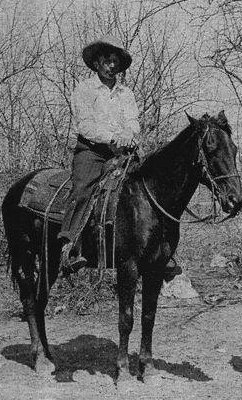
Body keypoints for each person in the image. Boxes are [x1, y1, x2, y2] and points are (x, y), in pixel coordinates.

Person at [58, 35, 140, 275]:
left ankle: (158, 249)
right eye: (107, 60)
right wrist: (113, 136)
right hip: (92, 151)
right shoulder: (84, 89)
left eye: (116, 61)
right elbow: (85, 125)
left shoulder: (126, 93)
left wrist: (129, 133)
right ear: (96, 63)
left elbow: (133, 122)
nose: (112, 66)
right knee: (83, 187)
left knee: (148, 186)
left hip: (122, 153)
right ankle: (70, 245)